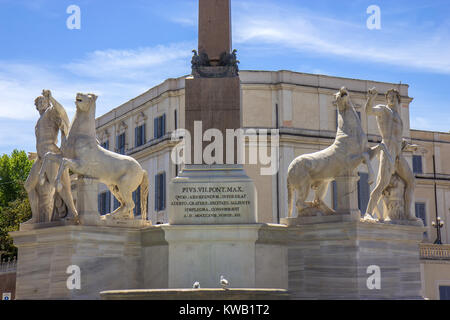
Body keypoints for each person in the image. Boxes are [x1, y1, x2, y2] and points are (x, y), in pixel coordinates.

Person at [364, 88, 420, 222]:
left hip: (398, 153)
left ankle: (407, 214)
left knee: (411, 181)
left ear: (398, 100)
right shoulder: (383, 110)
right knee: (382, 183)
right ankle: (368, 213)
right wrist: (370, 99)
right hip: (388, 150)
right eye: (389, 97)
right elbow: (369, 111)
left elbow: (398, 138)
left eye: (394, 96)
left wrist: (408, 146)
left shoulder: (399, 117)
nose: (391, 98)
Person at [24, 90, 78, 223]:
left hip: (51, 152)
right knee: (29, 185)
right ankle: (36, 217)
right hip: (41, 156)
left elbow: (62, 111)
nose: (41, 103)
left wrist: (52, 98)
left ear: (47, 103)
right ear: (36, 106)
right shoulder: (38, 121)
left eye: (44, 101)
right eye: (39, 102)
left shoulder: (51, 112)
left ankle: (72, 211)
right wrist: (36, 154)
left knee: (58, 183)